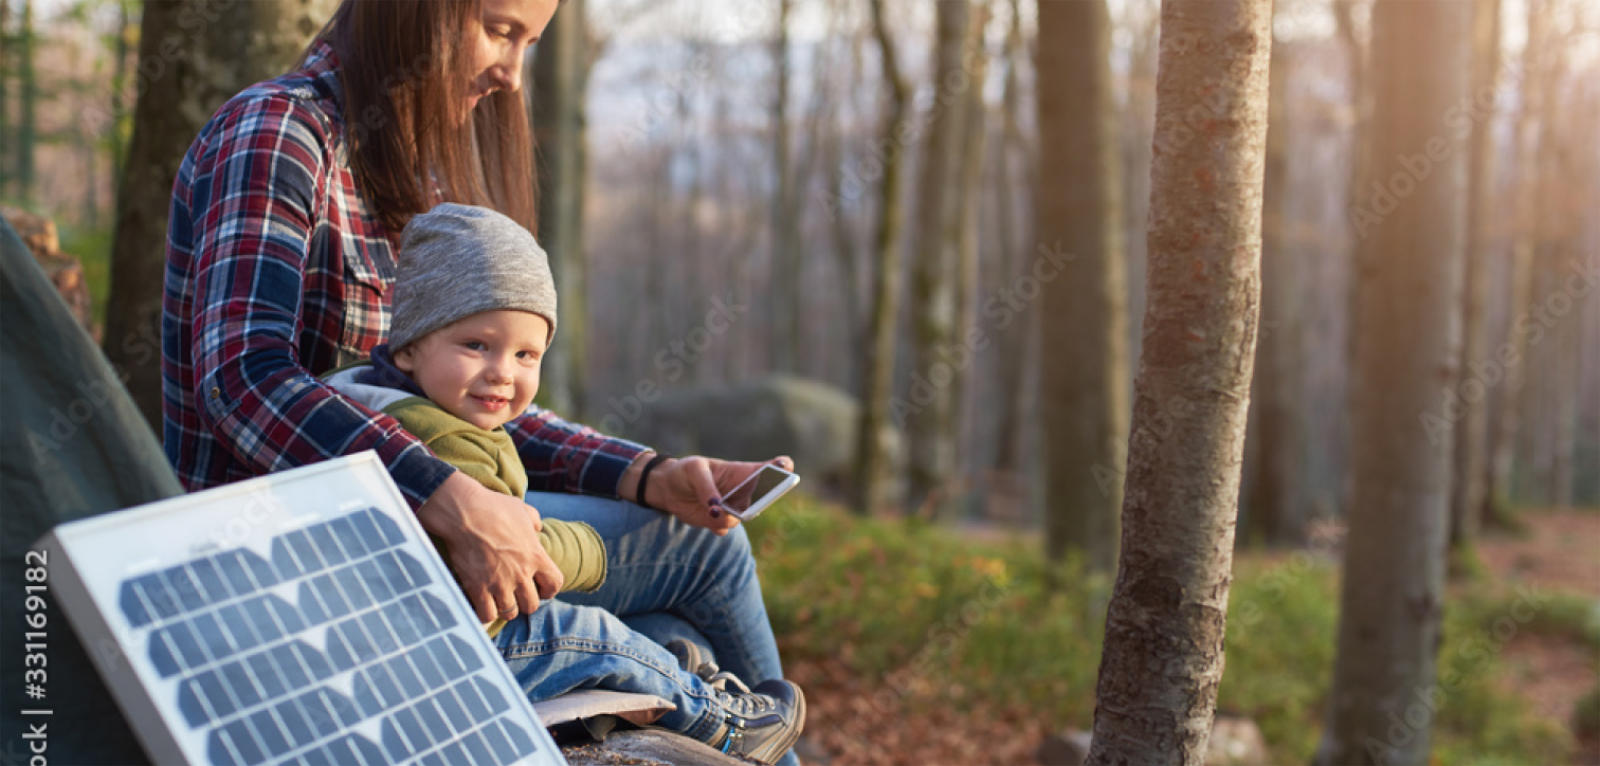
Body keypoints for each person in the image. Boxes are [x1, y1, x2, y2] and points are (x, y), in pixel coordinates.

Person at [160, 0, 802, 761]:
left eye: (530, 42)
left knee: (678, 624)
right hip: (307, 573)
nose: (511, 73)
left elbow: (466, 401)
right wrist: (448, 496)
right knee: (705, 564)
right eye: (500, 30)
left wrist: (647, 475)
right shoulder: (279, 135)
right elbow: (243, 379)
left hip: (401, 544)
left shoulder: (408, 171)